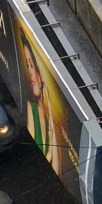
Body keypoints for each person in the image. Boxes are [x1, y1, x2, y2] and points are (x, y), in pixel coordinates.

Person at [20, 31, 62, 173]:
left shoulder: (53, 120)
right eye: (26, 66)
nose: (29, 72)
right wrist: (50, 152)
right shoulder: (30, 108)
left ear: (40, 75)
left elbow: (57, 169)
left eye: (31, 65)